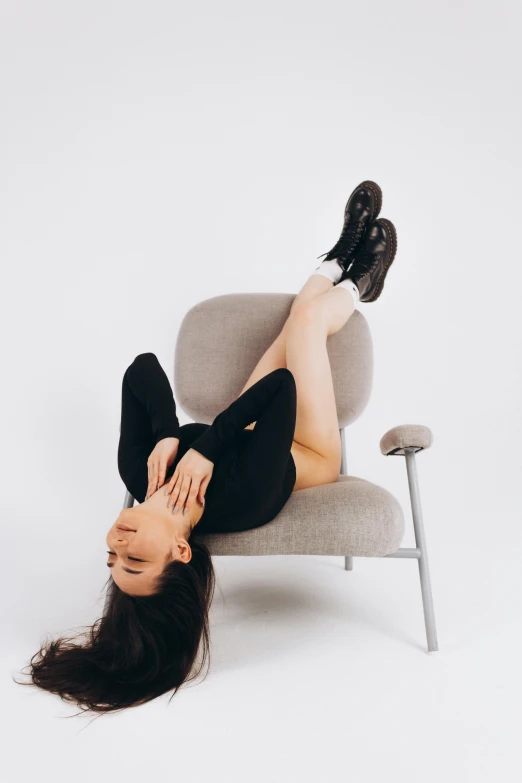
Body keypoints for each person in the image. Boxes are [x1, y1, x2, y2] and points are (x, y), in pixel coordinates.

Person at [23, 180, 397, 713]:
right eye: (135, 559)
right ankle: (359, 282)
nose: (117, 542)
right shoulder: (241, 499)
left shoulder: (139, 471)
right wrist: (206, 449)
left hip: (244, 429)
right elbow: (280, 391)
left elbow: (142, 368)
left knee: (296, 319)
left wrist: (170, 434)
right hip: (306, 454)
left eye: (111, 556)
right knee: (309, 325)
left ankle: (341, 262)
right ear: (179, 552)